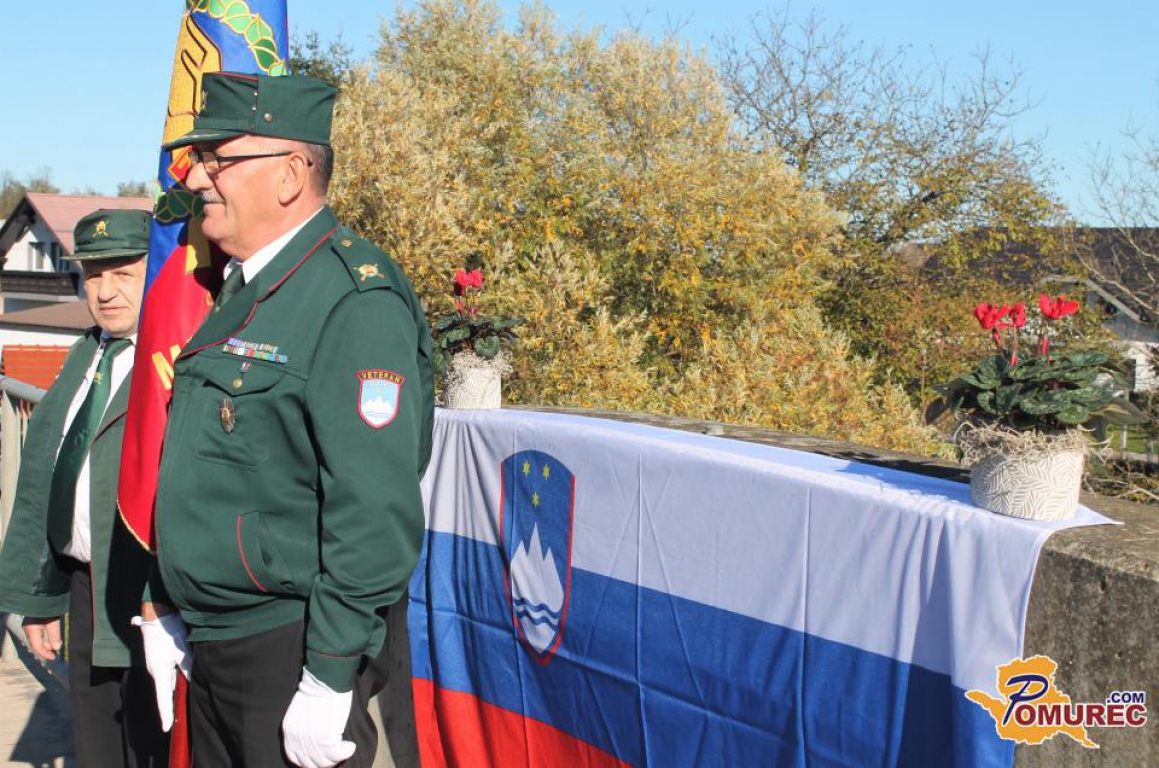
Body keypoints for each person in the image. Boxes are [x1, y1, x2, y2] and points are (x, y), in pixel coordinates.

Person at [137, 71, 434, 768]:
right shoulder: (246, 288)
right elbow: (207, 464)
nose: (198, 178)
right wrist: (164, 596)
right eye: (200, 159)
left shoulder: (352, 299)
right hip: (217, 640)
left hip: (290, 645)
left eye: (218, 159)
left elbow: (373, 507)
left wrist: (329, 674)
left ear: (291, 174)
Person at [0, 208, 168, 766]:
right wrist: (38, 599)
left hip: (152, 597)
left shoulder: (177, 358)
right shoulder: (86, 353)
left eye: (124, 274)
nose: (106, 291)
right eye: (94, 275)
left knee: (152, 746)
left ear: (157, 271)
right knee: (97, 747)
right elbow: (45, 478)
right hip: (86, 588)